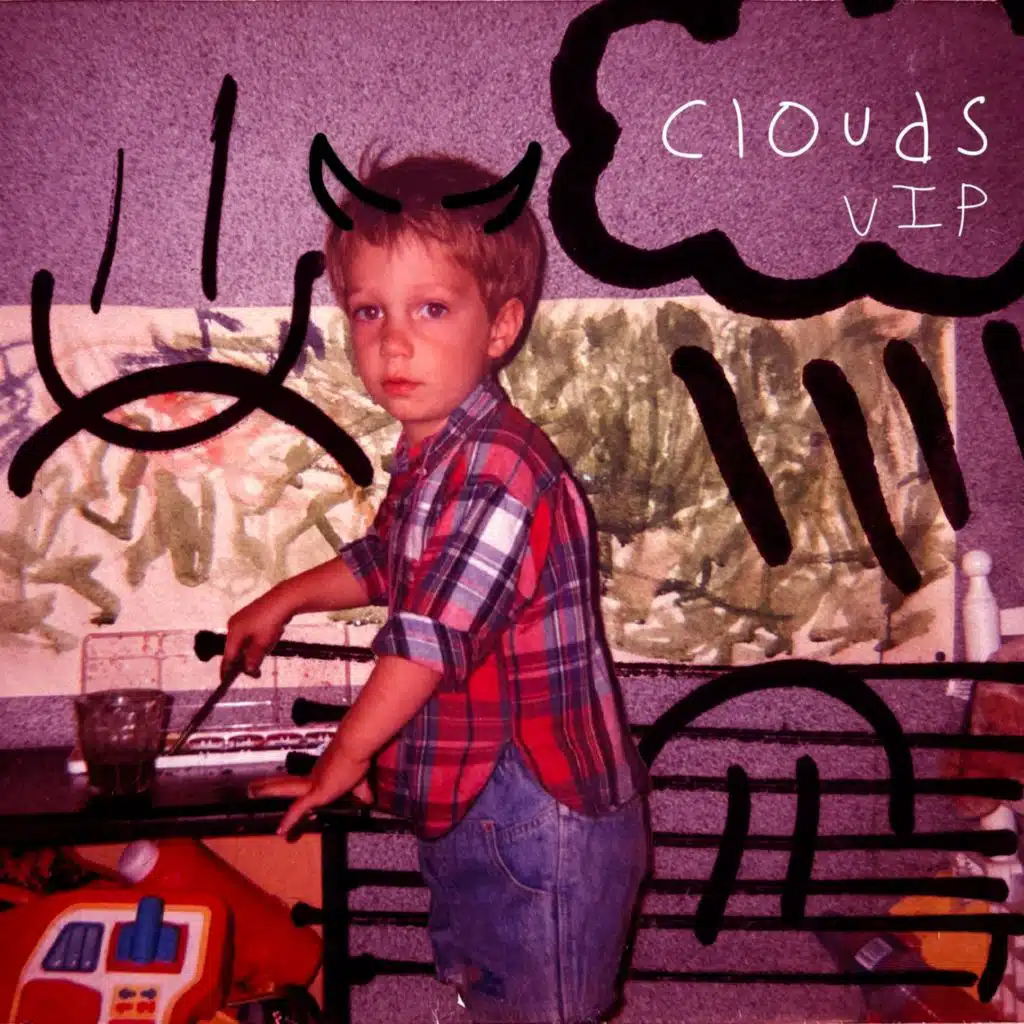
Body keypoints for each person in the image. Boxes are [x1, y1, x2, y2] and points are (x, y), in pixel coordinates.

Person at [222, 150, 651, 1023]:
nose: (393, 341)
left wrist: (342, 760)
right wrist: (284, 598)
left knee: (541, 1008)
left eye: (431, 308)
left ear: (500, 327)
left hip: (539, 814)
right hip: (474, 793)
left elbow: (425, 640)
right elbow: (391, 560)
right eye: (369, 310)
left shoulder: (497, 466)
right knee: (487, 981)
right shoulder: (435, 450)